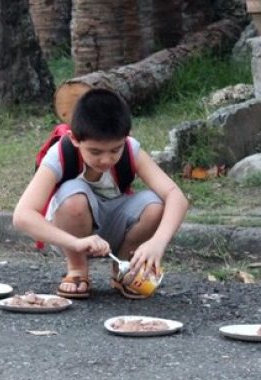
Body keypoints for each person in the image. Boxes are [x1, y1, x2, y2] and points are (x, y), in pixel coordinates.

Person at [12, 88, 189, 299]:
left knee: (155, 205)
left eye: (115, 150)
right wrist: (76, 243)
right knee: (73, 197)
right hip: (69, 235)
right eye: (95, 152)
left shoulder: (131, 150)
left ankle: (124, 268)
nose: (106, 160)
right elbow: (22, 216)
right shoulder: (60, 154)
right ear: (75, 139)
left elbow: (175, 196)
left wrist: (157, 242)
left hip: (114, 227)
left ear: (126, 138)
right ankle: (77, 269)